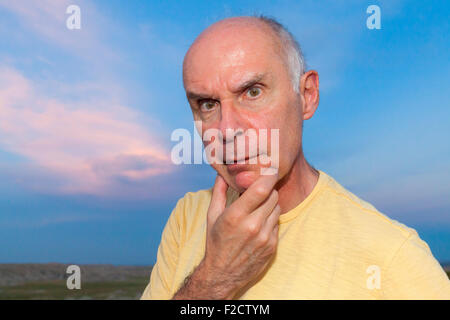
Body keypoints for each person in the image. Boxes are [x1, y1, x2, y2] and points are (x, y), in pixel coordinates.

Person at [141, 15, 450, 299]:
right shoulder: (187, 216)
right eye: (208, 104)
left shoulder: (395, 256)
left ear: (307, 96)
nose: (227, 129)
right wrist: (215, 278)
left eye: (252, 92)